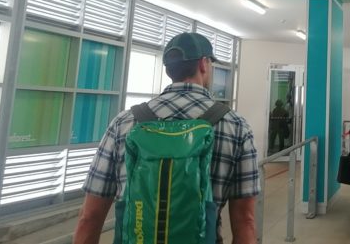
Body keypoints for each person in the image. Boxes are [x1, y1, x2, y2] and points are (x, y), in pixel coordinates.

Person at [74, 32, 259, 244]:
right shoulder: (236, 126)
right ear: (203, 64)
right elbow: (245, 221)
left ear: (169, 69)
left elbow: (89, 218)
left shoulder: (124, 123)